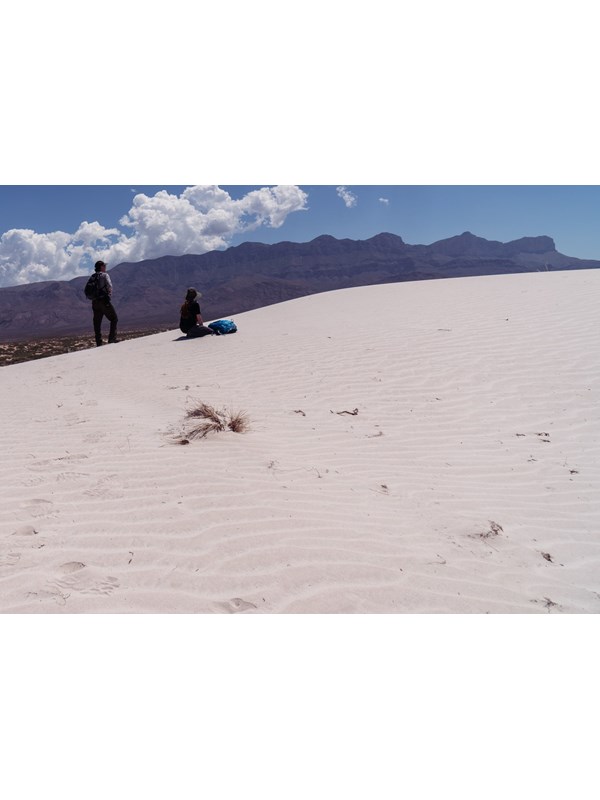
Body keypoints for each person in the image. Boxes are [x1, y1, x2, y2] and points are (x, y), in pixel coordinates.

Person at [91, 260, 118, 346]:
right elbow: (109, 286)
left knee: (97, 323)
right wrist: (108, 295)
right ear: (101, 267)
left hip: (95, 302)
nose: (105, 267)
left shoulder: (93, 276)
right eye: (104, 266)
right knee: (114, 318)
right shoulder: (104, 275)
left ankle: (99, 343)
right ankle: (112, 339)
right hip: (103, 301)